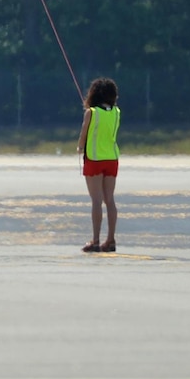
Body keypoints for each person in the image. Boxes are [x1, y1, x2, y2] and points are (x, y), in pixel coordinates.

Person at [78, 76, 120, 253]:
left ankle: (95, 240)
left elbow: (83, 135)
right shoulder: (117, 112)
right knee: (109, 200)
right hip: (112, 158)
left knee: (96, 200)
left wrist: (80, 147)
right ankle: (110, 240)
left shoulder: (91, 113)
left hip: (94, 158)